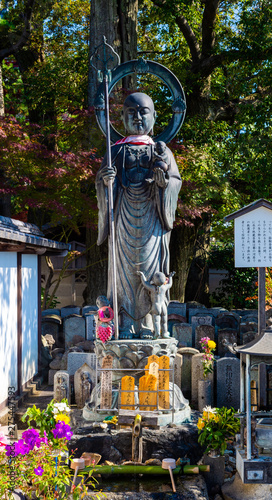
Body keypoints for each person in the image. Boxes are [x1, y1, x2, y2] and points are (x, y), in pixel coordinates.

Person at [96, 92, 181, 337]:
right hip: (123, 218)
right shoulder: (115, 151)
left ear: (154, 116)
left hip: (152, 219)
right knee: (123, 273)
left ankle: (148, 325)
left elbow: (175, 182)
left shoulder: (161, 151)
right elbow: (102, 185)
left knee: (150, 270)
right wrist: (107, 182)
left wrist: (164, 183)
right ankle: (123, 323)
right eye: (131, 112)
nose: (138, 117)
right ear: (122, 117)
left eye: (144, 111)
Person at [137, 270, 175, 338]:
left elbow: (145, 283)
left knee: (156, 320)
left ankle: (157, 333)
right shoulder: (164, 287)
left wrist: (142, 275)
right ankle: (164, 333)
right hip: (163, 305)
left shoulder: (152, 288)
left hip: (156, 305)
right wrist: (170, 277)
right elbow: (170, 284)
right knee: (164, 321)